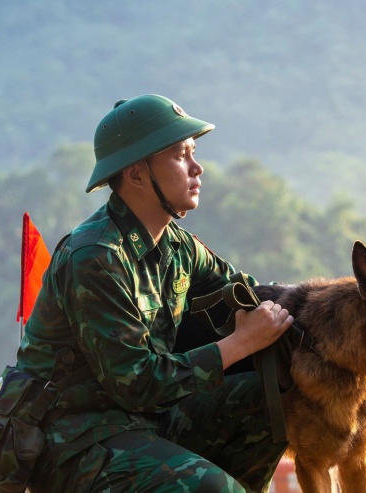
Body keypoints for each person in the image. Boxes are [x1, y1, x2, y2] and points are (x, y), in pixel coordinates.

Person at [16, 94, 294, 492]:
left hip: (147, 422)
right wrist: (241, 343)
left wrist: (338, 345)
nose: (198, 168)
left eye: (193, 153)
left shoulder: (177, 246)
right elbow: (137, 383)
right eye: (181, 156)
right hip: (76, 444)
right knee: (211, 490)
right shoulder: (96, 256)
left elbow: (250, 294)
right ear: (136, 175)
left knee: (270, 396)